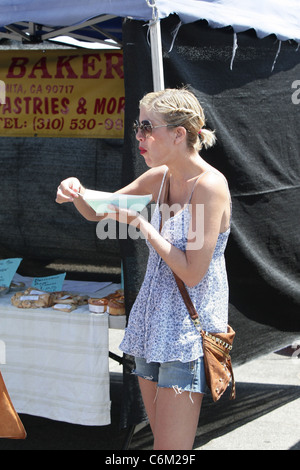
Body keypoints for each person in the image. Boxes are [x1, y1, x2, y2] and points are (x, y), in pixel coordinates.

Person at [56, 87, 231, 450]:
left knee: (169, 451)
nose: (138, 135)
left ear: (179, 134)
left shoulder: (210, 187)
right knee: (162, 446)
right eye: (138, 125)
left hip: (186, 334)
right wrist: (76, 191)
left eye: (148, 127)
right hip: (153, 325)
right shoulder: (161, 177)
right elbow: (97, 209)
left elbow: (193, 273)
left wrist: (144, 226)